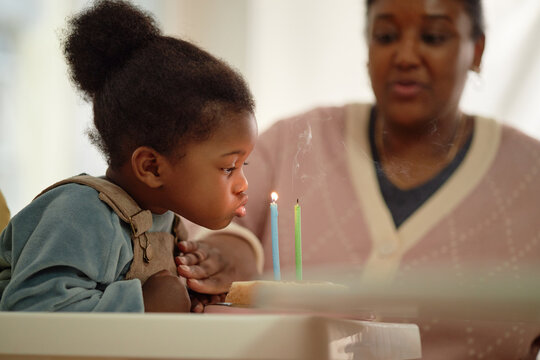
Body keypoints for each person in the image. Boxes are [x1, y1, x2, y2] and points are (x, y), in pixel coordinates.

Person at [191, 0, 540, 358]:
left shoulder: (531, 177)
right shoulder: (291, 140)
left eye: (433, 37)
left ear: (476, 49)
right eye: (386, 36)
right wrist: (232, 248)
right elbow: (203, 216)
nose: (404, 56)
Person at [0, 0, 258, 313]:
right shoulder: (79, 214)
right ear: (151, 167)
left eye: (243, 165)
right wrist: (145, 304)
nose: (243, 184)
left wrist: (191, 294)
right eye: (229, 168)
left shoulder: (167, 222)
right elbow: (29, 309)